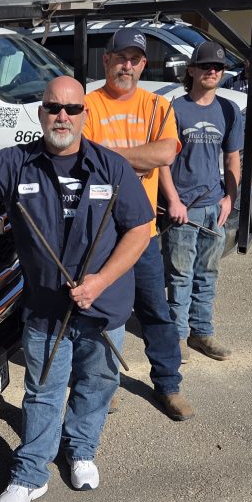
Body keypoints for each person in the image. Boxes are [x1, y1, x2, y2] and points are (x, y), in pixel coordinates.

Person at [0, 76, 152, 502]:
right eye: (53, 107)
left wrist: (99, 281)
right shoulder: (16, 163)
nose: (62, 116)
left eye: (72, 109)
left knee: (97, 384)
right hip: (44, 308)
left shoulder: (111, 167)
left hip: (105, 307)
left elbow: (140, 229)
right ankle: (32, 472)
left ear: (84, 115)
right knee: (42, 391)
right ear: (41, 113)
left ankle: (81, 450)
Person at [82, 28, 195, 421]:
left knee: (155, 312)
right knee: (100, 313)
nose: (126, 65)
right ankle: (104, 383)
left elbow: (164, 153)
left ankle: (169, 385)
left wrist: (109, 153)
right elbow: (82, 156)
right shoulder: (87, 104)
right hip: (97, 233)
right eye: (120, 57)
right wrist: (137, 156)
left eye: (135, 59)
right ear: (106, 60)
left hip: (141, 231)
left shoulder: (158, 107)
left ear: (143, 65)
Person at [159, 42, 242, 361]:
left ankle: (202, 333)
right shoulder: (175, 109)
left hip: (214, 207)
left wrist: (229, 198)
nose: (212, 71)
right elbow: (163, 161)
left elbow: (233, 157)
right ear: (191, 70)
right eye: (205, 66)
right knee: (180, 275)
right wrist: (173, 201)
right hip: (183, 209)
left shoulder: (228, 110)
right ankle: (177, 337)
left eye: (218, 67)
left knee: (208, 273)